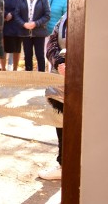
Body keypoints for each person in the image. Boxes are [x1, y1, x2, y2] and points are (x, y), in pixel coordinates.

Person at [39, 12, 67, 181]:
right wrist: (59, 62)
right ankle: (64, 164)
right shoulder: (65, 17)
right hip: (60, 83)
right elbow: (52, 42)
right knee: (61, 122)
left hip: (87, 81)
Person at [13, 0, 51, 72]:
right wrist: (24, 24)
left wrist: (35, 23)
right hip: (25, 32)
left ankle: (41, 76)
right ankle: (28, 76)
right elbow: (16, 14)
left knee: (39, 55)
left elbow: (47, 15)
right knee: (27, 54)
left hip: (39, 31)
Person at [1, 0, 24, 71]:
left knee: (16, 48)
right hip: (4, 23)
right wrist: (6, 14)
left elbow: (23, 8)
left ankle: (15, 69)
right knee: (4, 47)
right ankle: (3, 69)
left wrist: (13, 14)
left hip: (17, 24)